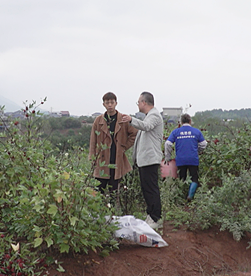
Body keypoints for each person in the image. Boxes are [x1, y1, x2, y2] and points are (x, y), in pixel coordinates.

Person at [120, 91, 164, 229]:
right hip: (145, 160)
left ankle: (155, 218)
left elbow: (146, 127)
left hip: (150, 159)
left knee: (151, 189)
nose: (138, 104)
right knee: (147, 189)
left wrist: (131, 120)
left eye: (138, 102)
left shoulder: (154, 115)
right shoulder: (148, 116)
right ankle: (151, 215)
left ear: (144, 102)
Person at [88, 92, 138, 195]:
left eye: (112, 102)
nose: (110, 105)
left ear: (116, 103)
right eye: (107, 103)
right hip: (102, 160)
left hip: (117, 159)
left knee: (114, 192)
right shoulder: (98, 121)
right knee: (98, 191)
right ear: (104, 104)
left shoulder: (123, 119)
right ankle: (99, 210)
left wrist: (124, 147)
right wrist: (92, 157)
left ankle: (114, 210)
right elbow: (93, 140)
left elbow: (134, 134)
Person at [164, 114, 207, 201]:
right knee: (194, 178)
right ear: (190, 121)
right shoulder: (196, 131)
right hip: (193, 159)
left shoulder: (176, 132)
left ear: (180, 122)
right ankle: (190, 196)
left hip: (180, 159)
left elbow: (168, 144)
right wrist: (196, 150)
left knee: (182, 178)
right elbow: (204, 144)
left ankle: (181, 198)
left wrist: (168, 157)